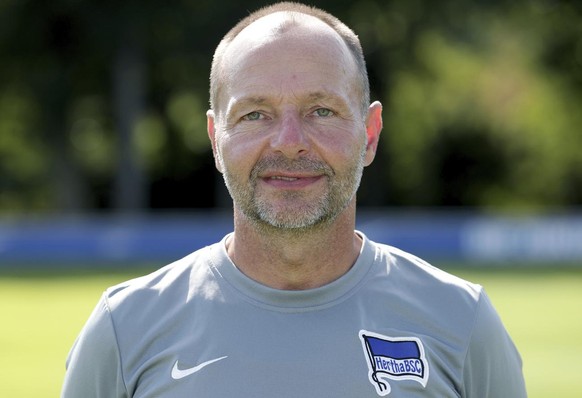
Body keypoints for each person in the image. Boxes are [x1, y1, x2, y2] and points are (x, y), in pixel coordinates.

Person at [61, 2, 527, 397]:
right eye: (255, 114)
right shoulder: (123, 330)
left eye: (321, 111)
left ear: (369, 134)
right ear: (215, 139)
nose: (288, 142)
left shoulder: (462, 323)